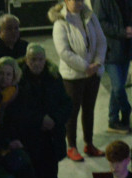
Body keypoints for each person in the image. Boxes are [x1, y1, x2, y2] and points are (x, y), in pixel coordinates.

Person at [15, 44, 71, 178]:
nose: (36, 63)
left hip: (50, 140)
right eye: (33, 60)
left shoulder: (54, 77)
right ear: (26, 60)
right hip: (30, 140)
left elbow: (65, 104)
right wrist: (40, 120)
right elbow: (17, 111)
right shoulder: (18, 80)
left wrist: (54, 120)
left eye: (40, 59)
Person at [50, 0, 106, 161]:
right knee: (72, 112)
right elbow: (63, 51)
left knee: (89, 110)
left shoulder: (90, 16)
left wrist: (97, 62)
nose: (80, 2)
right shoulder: (60, 22)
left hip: (93, 73)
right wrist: (85, 66)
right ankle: (72, 146)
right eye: (76, 0)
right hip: (73, 76)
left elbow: (101, 41)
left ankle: (89, 144)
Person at [94, 0, 132, 133]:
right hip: (110, 50)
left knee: (117, 88)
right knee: (118, 87)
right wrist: (122, 32)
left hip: (127, 49)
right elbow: (101, 23)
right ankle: (126, 110)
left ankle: (113, 120)